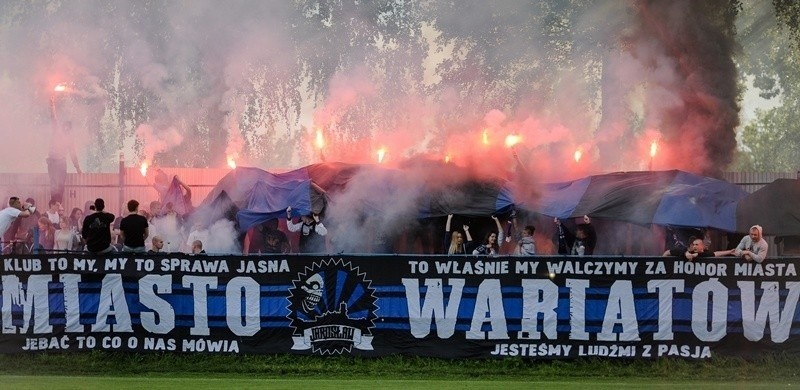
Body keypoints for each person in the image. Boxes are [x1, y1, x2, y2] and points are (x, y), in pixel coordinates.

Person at [48, 94, 82, 203]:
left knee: (61, 184)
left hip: (61, 162)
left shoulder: (70, 140)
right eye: (65, 126)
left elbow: (73, 155)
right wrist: (52, 105)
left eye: (68, 127)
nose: (66, 128)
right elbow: (54, 118)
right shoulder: (57, 132)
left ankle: (58, 203)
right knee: (53, 184)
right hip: (52, 161)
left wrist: (78, 168)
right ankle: (53, 203)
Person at [662, 236, 733, 261]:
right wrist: (663, 263)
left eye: (697, 245)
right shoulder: (681, 251)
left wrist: (730, 251)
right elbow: (667, 252)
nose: (695, 246)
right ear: (690, 245)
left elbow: (716, 253)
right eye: (694, 245)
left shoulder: (703, 253)